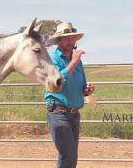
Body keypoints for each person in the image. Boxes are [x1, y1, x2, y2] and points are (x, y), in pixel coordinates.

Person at [45, 22, 95, 168]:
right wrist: (73, 62)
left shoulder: (77, 61)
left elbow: (82, 84)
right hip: (58, 113)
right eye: (67, 38)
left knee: (67, 157)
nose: (71, 41)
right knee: (70, 156)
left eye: (73, 38)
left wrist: (87, 90)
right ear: (59, 40)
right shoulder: (52, 58)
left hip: (73, 115)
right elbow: (56, 82)